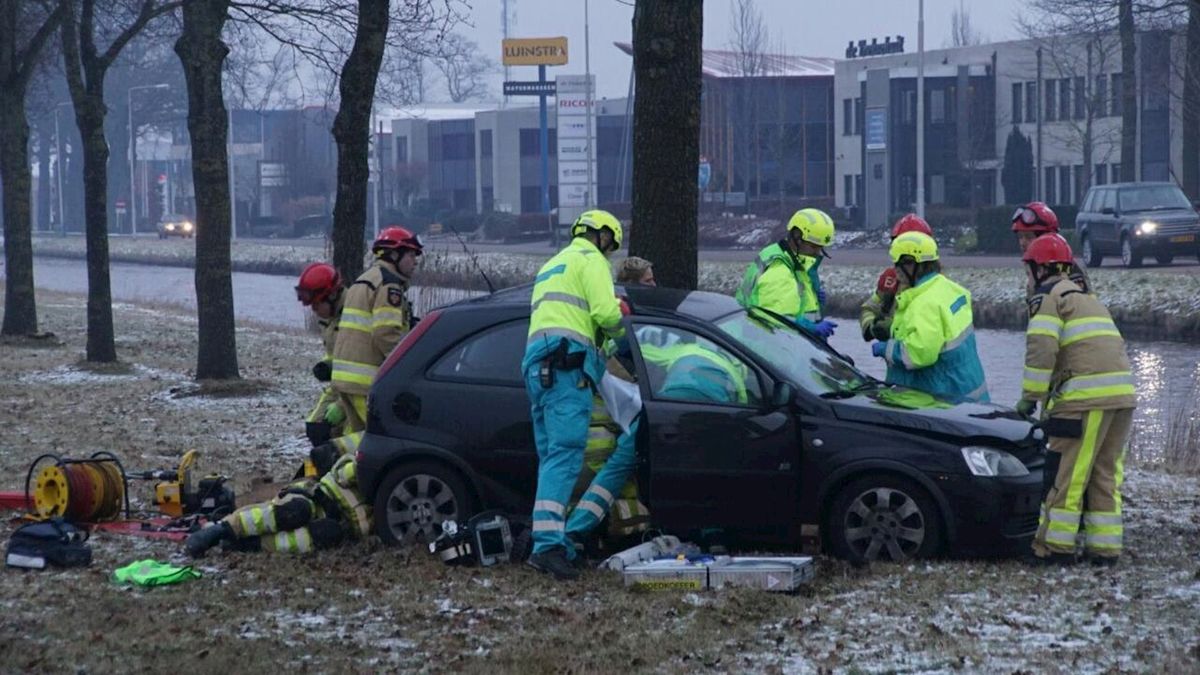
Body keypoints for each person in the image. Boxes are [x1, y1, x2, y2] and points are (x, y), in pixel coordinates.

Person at [1017, 234, 1135, 566]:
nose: (1028, 278)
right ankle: (1105, 549)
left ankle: (1055, 548)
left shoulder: (1048, 298)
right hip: (1121, 397)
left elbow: (1041, 350)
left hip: (1083, 401)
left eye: (1029, 271)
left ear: (1040, 269)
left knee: (1066, 475)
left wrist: (1029, 398)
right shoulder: (1087, 297)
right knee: (1104, 474)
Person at [522, 209, 626, 580]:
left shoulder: (553, 263)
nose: (610, 252)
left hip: (538, 367)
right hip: (566, 369)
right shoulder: (591, 260)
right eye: (610, 244)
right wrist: (623, 330)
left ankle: (548, 539)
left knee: (550, 457)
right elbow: (604, 314)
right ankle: (548, 549)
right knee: (564, 456)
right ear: (601, 237)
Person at [870, 231, 989, 403]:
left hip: (940, 402)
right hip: (966, 393)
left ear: (913, 264)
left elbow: (918, 353)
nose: (896, 271)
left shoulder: (924, 304)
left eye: (899, 265)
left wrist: (886, 349)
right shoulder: (949, 289)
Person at [184, 453, 370, 557]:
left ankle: (249, 545)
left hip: (335, 521)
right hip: (315, 496)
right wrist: (362, 469)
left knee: (325, 534)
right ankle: (220, 530)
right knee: (295, 511)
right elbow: (343, 471)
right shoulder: (369, 460)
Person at [330, 226, 423, 432]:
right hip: (365, 380)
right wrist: (406, 364)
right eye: (410, 254)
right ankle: (323, 459)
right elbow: (386, 334)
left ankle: (322, 462)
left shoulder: (365, 279)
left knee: (354, 439)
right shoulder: (389, 286)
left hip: (346, 378)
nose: (415, 260)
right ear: (393, 255)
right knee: (376, 440)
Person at [736, 208, 838, 339]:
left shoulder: (794, 264)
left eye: (821, 248)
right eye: (813, 246)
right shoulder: (779, 270)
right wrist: (811, 328)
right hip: (764, 348)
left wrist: (814, 300)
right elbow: (776, 321)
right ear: (797, 237)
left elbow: (796, 308)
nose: (817, 253)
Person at [295, 263, 346, 452]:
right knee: (315, 427)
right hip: (339, 386)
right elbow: (339, 356)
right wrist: (327, 365)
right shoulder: (329, 319)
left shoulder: (352, 318)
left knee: (340, 442)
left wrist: (341, 407)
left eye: (316, 304)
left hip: (357, 395)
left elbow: (364, 365)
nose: (314, 310)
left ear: (332, 296)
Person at [860, 214, 932, 342]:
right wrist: (872, 327)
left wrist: (893, 328)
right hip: (895, 357)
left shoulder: (933, 286)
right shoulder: (890, 279)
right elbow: (869, 308)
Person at [1011, 202, 1092, 295]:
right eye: (1020, 237)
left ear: (1048, 238)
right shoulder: (1035, 266)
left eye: (1029, 237)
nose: (1022, 243)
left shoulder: (1066, 269)